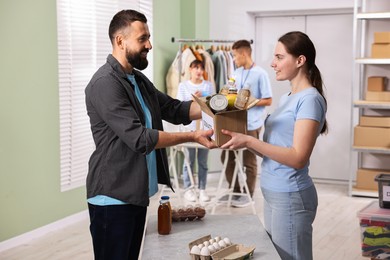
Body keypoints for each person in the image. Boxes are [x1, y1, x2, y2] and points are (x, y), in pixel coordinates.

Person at [84, 10, 215, 260]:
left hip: (135, 193)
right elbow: (140, 138)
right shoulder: (105, 83)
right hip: (112, 196)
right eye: (142, 39)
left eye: (149, 37)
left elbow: (176, 109)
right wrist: (191, 137)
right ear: (120, 41)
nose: (150, 45)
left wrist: (220, 105)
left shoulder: (138, 80)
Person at [220, 31, 328, 260]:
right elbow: (275, 149)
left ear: (300, 60)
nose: (272, 63)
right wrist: (241, 139)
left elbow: (297, 157)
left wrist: (249, 139)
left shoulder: (310, 100)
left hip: (290, 194)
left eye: (279, 57)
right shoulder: (288, 97)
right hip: (274, 192)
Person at [220, 39, 272, 207]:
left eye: (235, 56)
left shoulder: (260, 74)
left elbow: (268, 100)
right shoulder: (236, 73)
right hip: (233, 122)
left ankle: (248, 195)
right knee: (227, 157)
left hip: (252, 124)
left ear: (244, 53)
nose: (234, 59)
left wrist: (251, 102)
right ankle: (234, 191)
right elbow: (229, 92)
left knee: (249, 161)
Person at [176, 59, 214, 202]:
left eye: (201, 68)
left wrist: (202, 100)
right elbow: (179, 106)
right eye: (196, 67)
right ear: (190, 69)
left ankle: (202, 189)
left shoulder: (208, 86)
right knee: (189, 161)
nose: (199, 71)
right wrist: (194, 99)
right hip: (189, 129)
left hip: (205, 129)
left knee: (203, 162)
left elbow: (212, 106)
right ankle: (188, 189)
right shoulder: (183, 86)